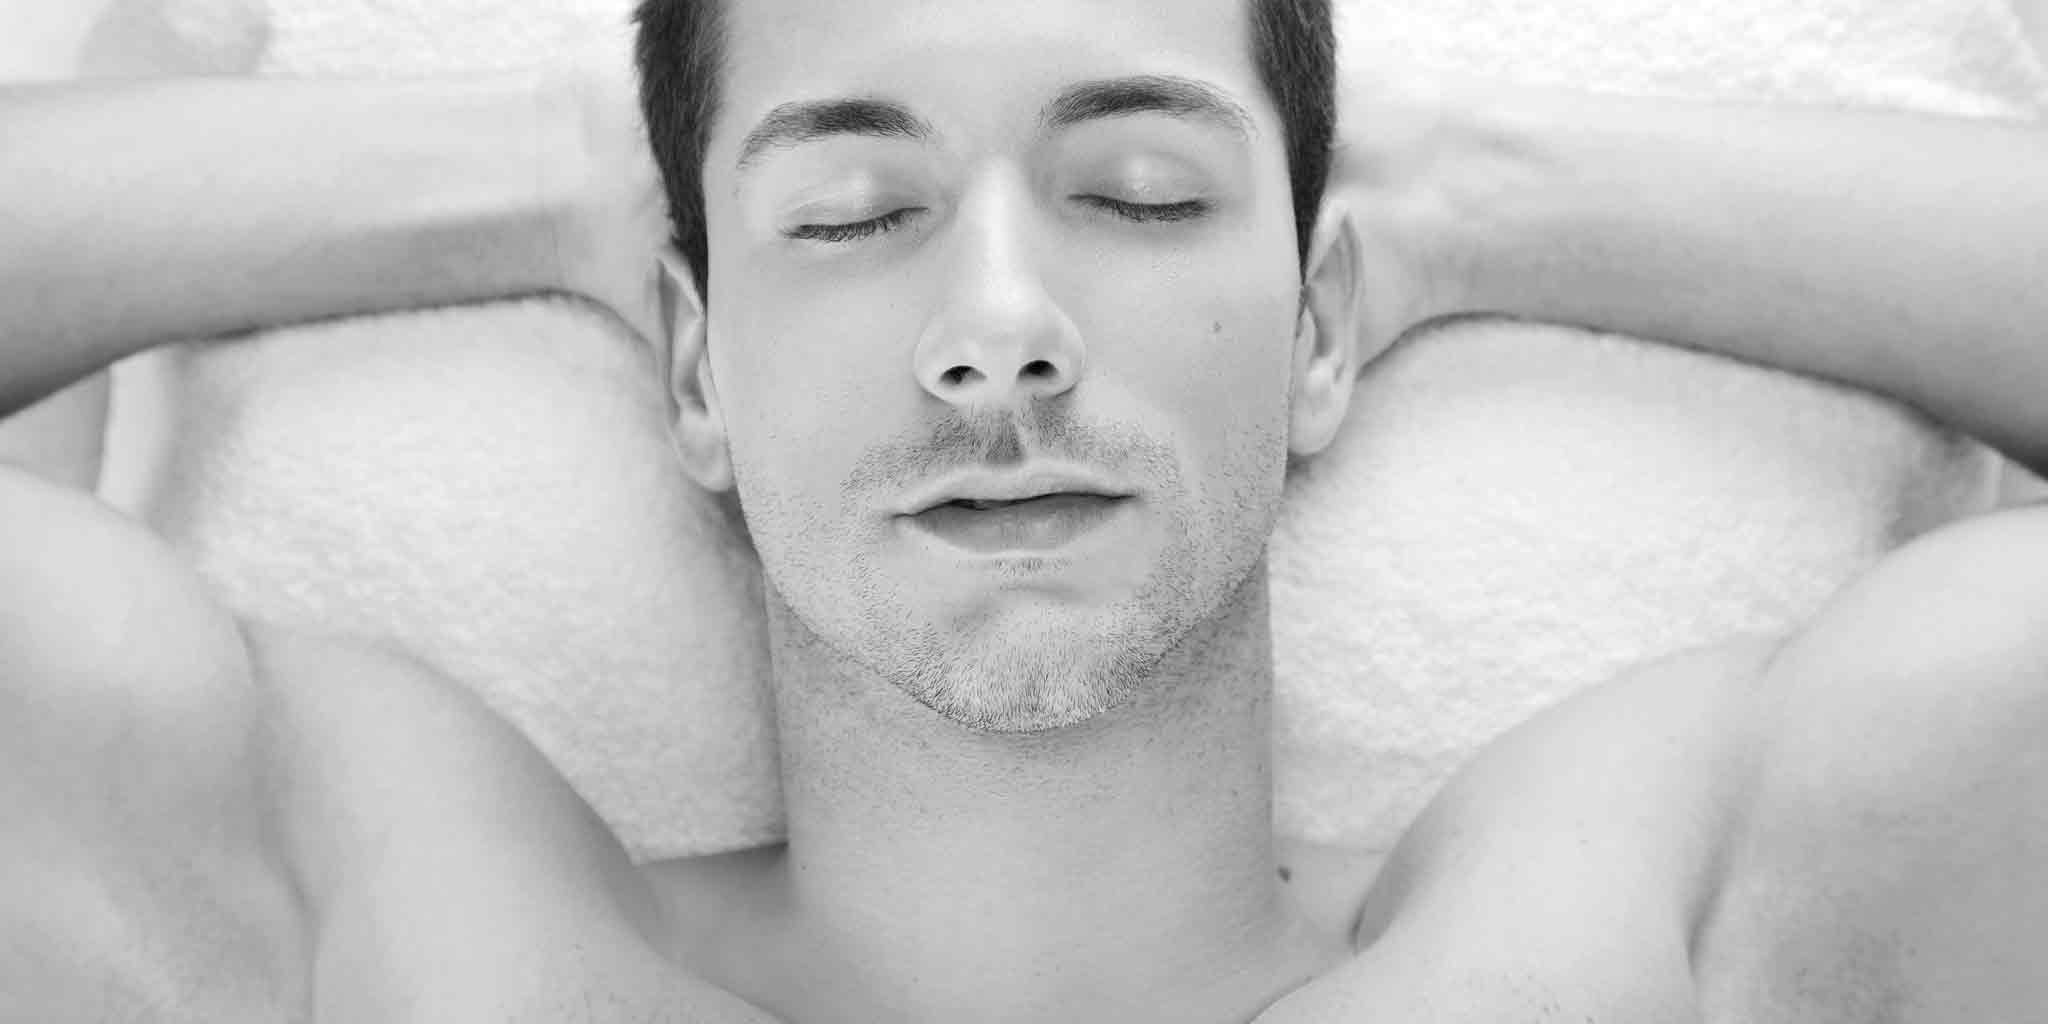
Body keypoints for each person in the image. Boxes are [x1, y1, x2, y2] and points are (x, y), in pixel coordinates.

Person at [3, 0, 2046, 1019]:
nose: (999, 331)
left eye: (1138, 194)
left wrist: (1464, 193)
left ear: (1317, 321)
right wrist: (564, 164)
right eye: (856, 209)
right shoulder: (403, 922)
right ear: (695, 366)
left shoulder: (1636, 920)